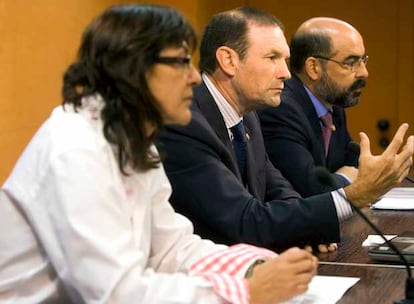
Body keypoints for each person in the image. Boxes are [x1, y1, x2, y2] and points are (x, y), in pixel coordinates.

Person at [0, 4, 318, 304]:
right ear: (135, 69)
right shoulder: (74, 148)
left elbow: (170, 250)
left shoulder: (133, 141)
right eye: (181, 62)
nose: (195, 77)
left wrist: (254, 266)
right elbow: (115, 294)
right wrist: (243, 291)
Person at [159, 7, 413, 253]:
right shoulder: (185, 122)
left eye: (285, 60)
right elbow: (246, 221)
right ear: (228, 60)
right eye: (272, 58)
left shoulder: (248, 116)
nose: (286, 74)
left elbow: (279, 191)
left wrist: (306, 230)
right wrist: (354, 195)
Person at [258, 17, 366, 197]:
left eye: (363, 60)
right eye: (351, 62)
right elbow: (309, 189)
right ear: (314, 68)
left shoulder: (333, 106)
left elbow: (353, 162)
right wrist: (346, 179)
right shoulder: (280, 108)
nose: (364, 72)